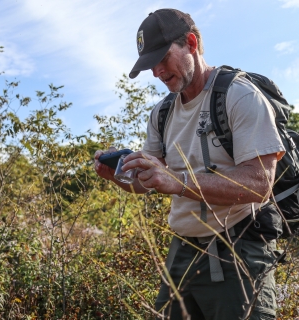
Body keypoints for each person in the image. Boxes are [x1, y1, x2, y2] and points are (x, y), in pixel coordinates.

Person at [94, 8, 285, 320]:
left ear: (192, 43)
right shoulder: (162, 113)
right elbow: (148, 182)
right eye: (150, 65)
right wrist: (117, 175)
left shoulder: (239, 96)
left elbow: (259, 184)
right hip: (182, 251)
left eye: (162, 58)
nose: (157, 72)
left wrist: (178, 182)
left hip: (237, 249)